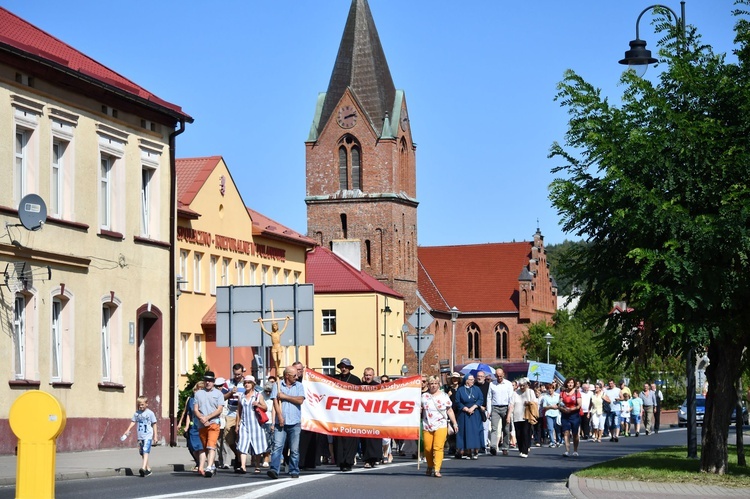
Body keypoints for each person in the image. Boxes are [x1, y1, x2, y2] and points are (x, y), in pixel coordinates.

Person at [267, 366, 305, 479]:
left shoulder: (299, 386)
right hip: (281, 423)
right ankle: (274, 469)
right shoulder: (277, 385)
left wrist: (285, 396)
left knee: (294, 449)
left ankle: (294, 470)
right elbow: (275, 401)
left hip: (295, 422)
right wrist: (279, 416)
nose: (297, 377)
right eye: (294, 375)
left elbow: (300, 400)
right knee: (277, 447)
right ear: (287, 376)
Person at [421, 375, 458, 477]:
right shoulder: (424, 396)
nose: (433, 386)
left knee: (438, 447)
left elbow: (449, 410)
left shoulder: (444, 396)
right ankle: (430, 465)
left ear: (438, 385)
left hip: (441, 424)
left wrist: (454, 423)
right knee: (428, 448)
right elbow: (419, 409)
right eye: (431, 383)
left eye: (435, 384)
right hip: (427, 424)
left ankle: (437, 469)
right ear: (428, 385)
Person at [193, 371, 225, 477]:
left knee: (211, 445)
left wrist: (208, 417)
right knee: (205, 446)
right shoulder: (198, 393)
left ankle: (209, 467)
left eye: (210, 381)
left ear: (213, 381)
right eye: (206, 380)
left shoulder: (219, 394)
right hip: (202, 424)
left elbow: (219, 409)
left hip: (213, 423)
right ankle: (212, 465)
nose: (208, 382)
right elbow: (196, 409)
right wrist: (201, 418)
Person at [331, 358, 361, 471]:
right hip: (337, 414)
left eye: (346, 367)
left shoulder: (355, 380)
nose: (343, 369)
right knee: (338, 440)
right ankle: (340, 462)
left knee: (350, 440)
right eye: (342, 367)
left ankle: (348, 462)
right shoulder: (335, 379)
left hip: (351, 414)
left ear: (349, 368)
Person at [235, 375, 268, 473]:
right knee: (243, 444)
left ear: (253, 384)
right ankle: (243, 466)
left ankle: (257, 466)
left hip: (256, 425)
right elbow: (239, 411)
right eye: (245, 383)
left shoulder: (258, 395)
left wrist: (257, 404)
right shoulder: (241, 396)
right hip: (245, 424)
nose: (247, 385)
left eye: (249, 383)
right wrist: (237, 425)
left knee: (257, 445)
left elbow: (265, 408)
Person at [121, 395, 158, 477]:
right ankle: (148, 469)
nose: (141, 406)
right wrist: (127, 430)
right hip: (140, 436)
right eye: (139, 404)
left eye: (142, 404)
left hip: (148, 435)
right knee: (142, 452)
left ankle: (143, 468)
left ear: (146, 404)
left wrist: (155, 436)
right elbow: (133, 422)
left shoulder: (150, 413)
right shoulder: (137, 413)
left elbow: (154, 424)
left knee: (145, 451)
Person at [454, 373, 483, 459]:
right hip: (464, 414)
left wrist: (473, 407)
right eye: (470, 380)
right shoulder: (460, 390)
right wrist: (466, 409)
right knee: (465, 432)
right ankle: (467, 451)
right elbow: (458, 401)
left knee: (475, 431)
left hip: (475, 413)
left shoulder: (477, 389)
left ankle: (476, 450)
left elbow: (480, 399)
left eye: (473, 379)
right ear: (466, 381)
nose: (472, 381)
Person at [223, 363, 246, 470]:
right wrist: (230, 393)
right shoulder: (228, 383)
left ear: (242, 373)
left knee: (240, 437)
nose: (237, 376)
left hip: (243, 413)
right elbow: (222, 397)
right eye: (235, 374)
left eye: (239, 374)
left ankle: (240, 460)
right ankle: (237, 454)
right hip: (231, 413)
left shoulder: (247, 382)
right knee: (228, 436)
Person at [508, 377, 537, 458]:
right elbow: (511, 405)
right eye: (520, 385)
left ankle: (525, 450)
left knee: (525, 433)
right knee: (518, 434)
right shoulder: (515, 393)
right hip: (517, 416)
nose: (522, 387)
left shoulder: (530, 392)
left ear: (527, 385)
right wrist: (508, 416)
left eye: (523, 385)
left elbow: (535, 402)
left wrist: (529, 402)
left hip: (526, 416)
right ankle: (521, 449)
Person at [488, 367, 514, 456]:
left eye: (500, 376)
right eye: (497, 376)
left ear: (503, 375)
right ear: (495, 376)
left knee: (506, 429)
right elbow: (489, 397)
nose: (499, 378)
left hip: (505, 408)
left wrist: (509, 412)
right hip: (495, 407)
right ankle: (493, 447)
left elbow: (511, 398)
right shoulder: (492, 384)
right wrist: (489, 410)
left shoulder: (508, 384)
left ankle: (505, 447)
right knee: (494, 428)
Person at [360, 367, 382, 468]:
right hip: (363, 417)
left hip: (375, 417)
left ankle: (375, 458)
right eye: (366, 375)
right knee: (365, 440)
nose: (368, 377)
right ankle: (367, 460)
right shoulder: (360, 387)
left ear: (373, 376)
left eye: (370, 375)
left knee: (375, 439)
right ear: (364, 375)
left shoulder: (377, 386)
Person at [181, 381, 205, 471]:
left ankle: (201, 466)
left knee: (201, 447)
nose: (198, 391)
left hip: (202, 425)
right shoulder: (191, 400)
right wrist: (186, 426)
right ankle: (199, 462)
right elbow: (188, 414)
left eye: (201, 389)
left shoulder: (205, 400)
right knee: (193, 447)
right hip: (193, 426)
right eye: (198, 389)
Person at [559, 377, 581, 457]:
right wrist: (563, 409)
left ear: (574, 384)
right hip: (565, 415)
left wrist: (571, 409)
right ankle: (567, 450)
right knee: (566, 432)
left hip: (574, 415)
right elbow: (559, 403)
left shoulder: (576, 392)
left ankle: (575, 450)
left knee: (575, 434)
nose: (570, 384)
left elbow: (579, 405)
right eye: (569, 382)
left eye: (572, 382)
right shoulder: (562, 393)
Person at [443, 372, 462, 456]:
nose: (455, 380)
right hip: (450, 411)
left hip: (459, 411)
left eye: (456, 378)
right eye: (453, 378)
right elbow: (443, 399)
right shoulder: (448, 389)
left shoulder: (461, 389)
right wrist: (448, 394)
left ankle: (459, 446)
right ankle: (452, 447)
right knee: (451, 431)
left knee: (459, 430)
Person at [540, 383, 561, 448]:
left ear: (554, 389)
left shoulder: (558, 396)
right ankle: (552, 441)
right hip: (549, 414)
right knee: (550, 428)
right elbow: (544, 406)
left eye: (551, 388)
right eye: (548, 389)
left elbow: (560, 403)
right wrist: (551, 407)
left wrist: (557, 406)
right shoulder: (545, 397)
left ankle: (558, 440)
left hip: (557, 413)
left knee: (557, 428)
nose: (550, 390)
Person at [474, 371, 491, 453]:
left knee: (485, 427)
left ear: (484, 377)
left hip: (486, 408)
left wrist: (487, 407)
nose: (479, 378)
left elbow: (490, 397)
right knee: (476, 428)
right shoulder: (474, 386)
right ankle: (477, 444)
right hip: (476, 408)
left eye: (481, 376)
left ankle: (483, 445)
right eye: (478, 376)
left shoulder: (489, 386)